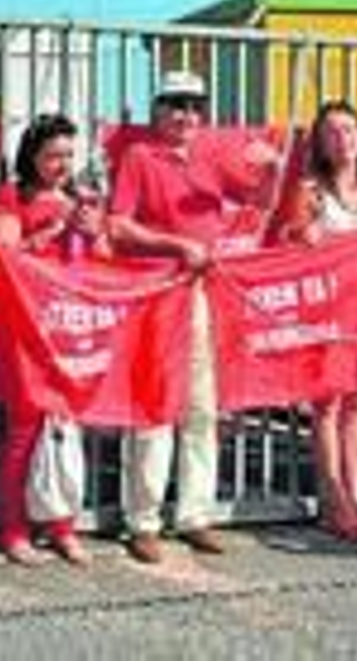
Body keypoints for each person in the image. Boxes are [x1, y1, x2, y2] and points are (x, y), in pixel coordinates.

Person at [106, 70, 280, 563]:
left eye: (195, 106)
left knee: (203, 408)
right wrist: (177, 245)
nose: (186, 116)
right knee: (155, 408)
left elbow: (260, 201)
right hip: (158, 294)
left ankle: (195, 514)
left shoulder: (209, 156)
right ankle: (143, 520)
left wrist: (271, 168)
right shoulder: (138, 157)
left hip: (205, 295)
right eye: (176, 104)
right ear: (157, 109)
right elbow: (118, 226)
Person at [278, 100, 357, 543]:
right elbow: (287, 240)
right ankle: (332, 499)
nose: (343, 139)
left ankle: (353, 492)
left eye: (349, 130)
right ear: (320, 143)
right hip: (326, 315)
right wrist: (302, 235)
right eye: (332, 132)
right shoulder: (311, 190)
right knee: (327, 405)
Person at [0, 113, 106, 566]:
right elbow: (4, 253)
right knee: (23, 429)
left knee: (67, 428)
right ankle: (14, 528)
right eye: (53, 155)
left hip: (72, 326)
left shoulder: (81, 197)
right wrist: (56, 228)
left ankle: (62, 524)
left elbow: (104, 256)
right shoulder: (13, 196)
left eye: (68, 155)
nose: (62, 164)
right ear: (31, 156)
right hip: (28, 325)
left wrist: (94, 233)